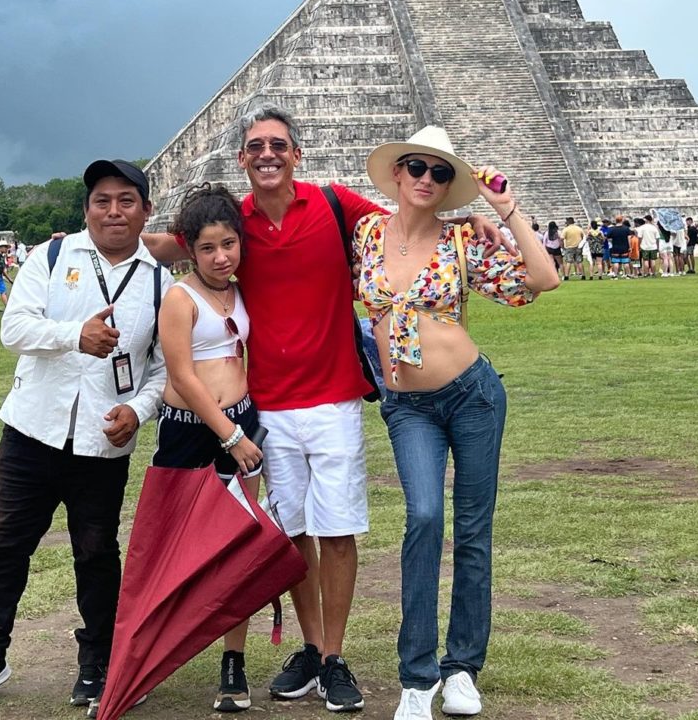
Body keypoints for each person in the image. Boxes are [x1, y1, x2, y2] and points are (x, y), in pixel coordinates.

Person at [140, 104, 504, 714]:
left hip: (334, 398)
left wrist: (468, 219)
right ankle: (309, 649)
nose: (267, 155)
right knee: (293, 535)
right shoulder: (232, 225)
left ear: (296, 154)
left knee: (337, 532)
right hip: (272, 409)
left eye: (278, 145)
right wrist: (94, 241)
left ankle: (334, 656)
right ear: (241, 159)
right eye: (255, 146)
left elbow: (409, 221)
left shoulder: (336, 206)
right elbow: (164, 243)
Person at [0, 159, 173, 715]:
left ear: (145, 211)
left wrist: (138, 410)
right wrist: (76, 335)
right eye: (101, 200)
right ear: (86, 208)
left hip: (102, 436)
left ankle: (97, 662)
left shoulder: (162, 283)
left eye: (125, 200)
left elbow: (165, 369)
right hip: (33, 427)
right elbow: (13, 328)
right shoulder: (52, 257)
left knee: (96, 552)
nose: (113, 211)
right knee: (6, 548)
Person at [354, 128, 559, 719]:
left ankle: (462, 666)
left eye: (440, 173)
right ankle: (417, 677)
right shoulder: (367, 235)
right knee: (422, 517)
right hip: (406, 406)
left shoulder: (463, 242)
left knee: (472, 529)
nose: (426, 178)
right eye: (416, 166)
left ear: (449, 189)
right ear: (397, 174)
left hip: (471, 396)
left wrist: (507, 210)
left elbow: (543, 281)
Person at [154, 183, 262, 713]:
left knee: (235, 547)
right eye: (207, 248)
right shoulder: (180, 296)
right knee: (168, 545)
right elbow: (183, 375)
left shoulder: (241, 290)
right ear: (189, 250)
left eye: (228, 244)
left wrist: (243, 430)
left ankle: (233, 662)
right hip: (193, 428)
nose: (221, 257)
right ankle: (147, 654)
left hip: (241, 421)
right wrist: (232, 436)